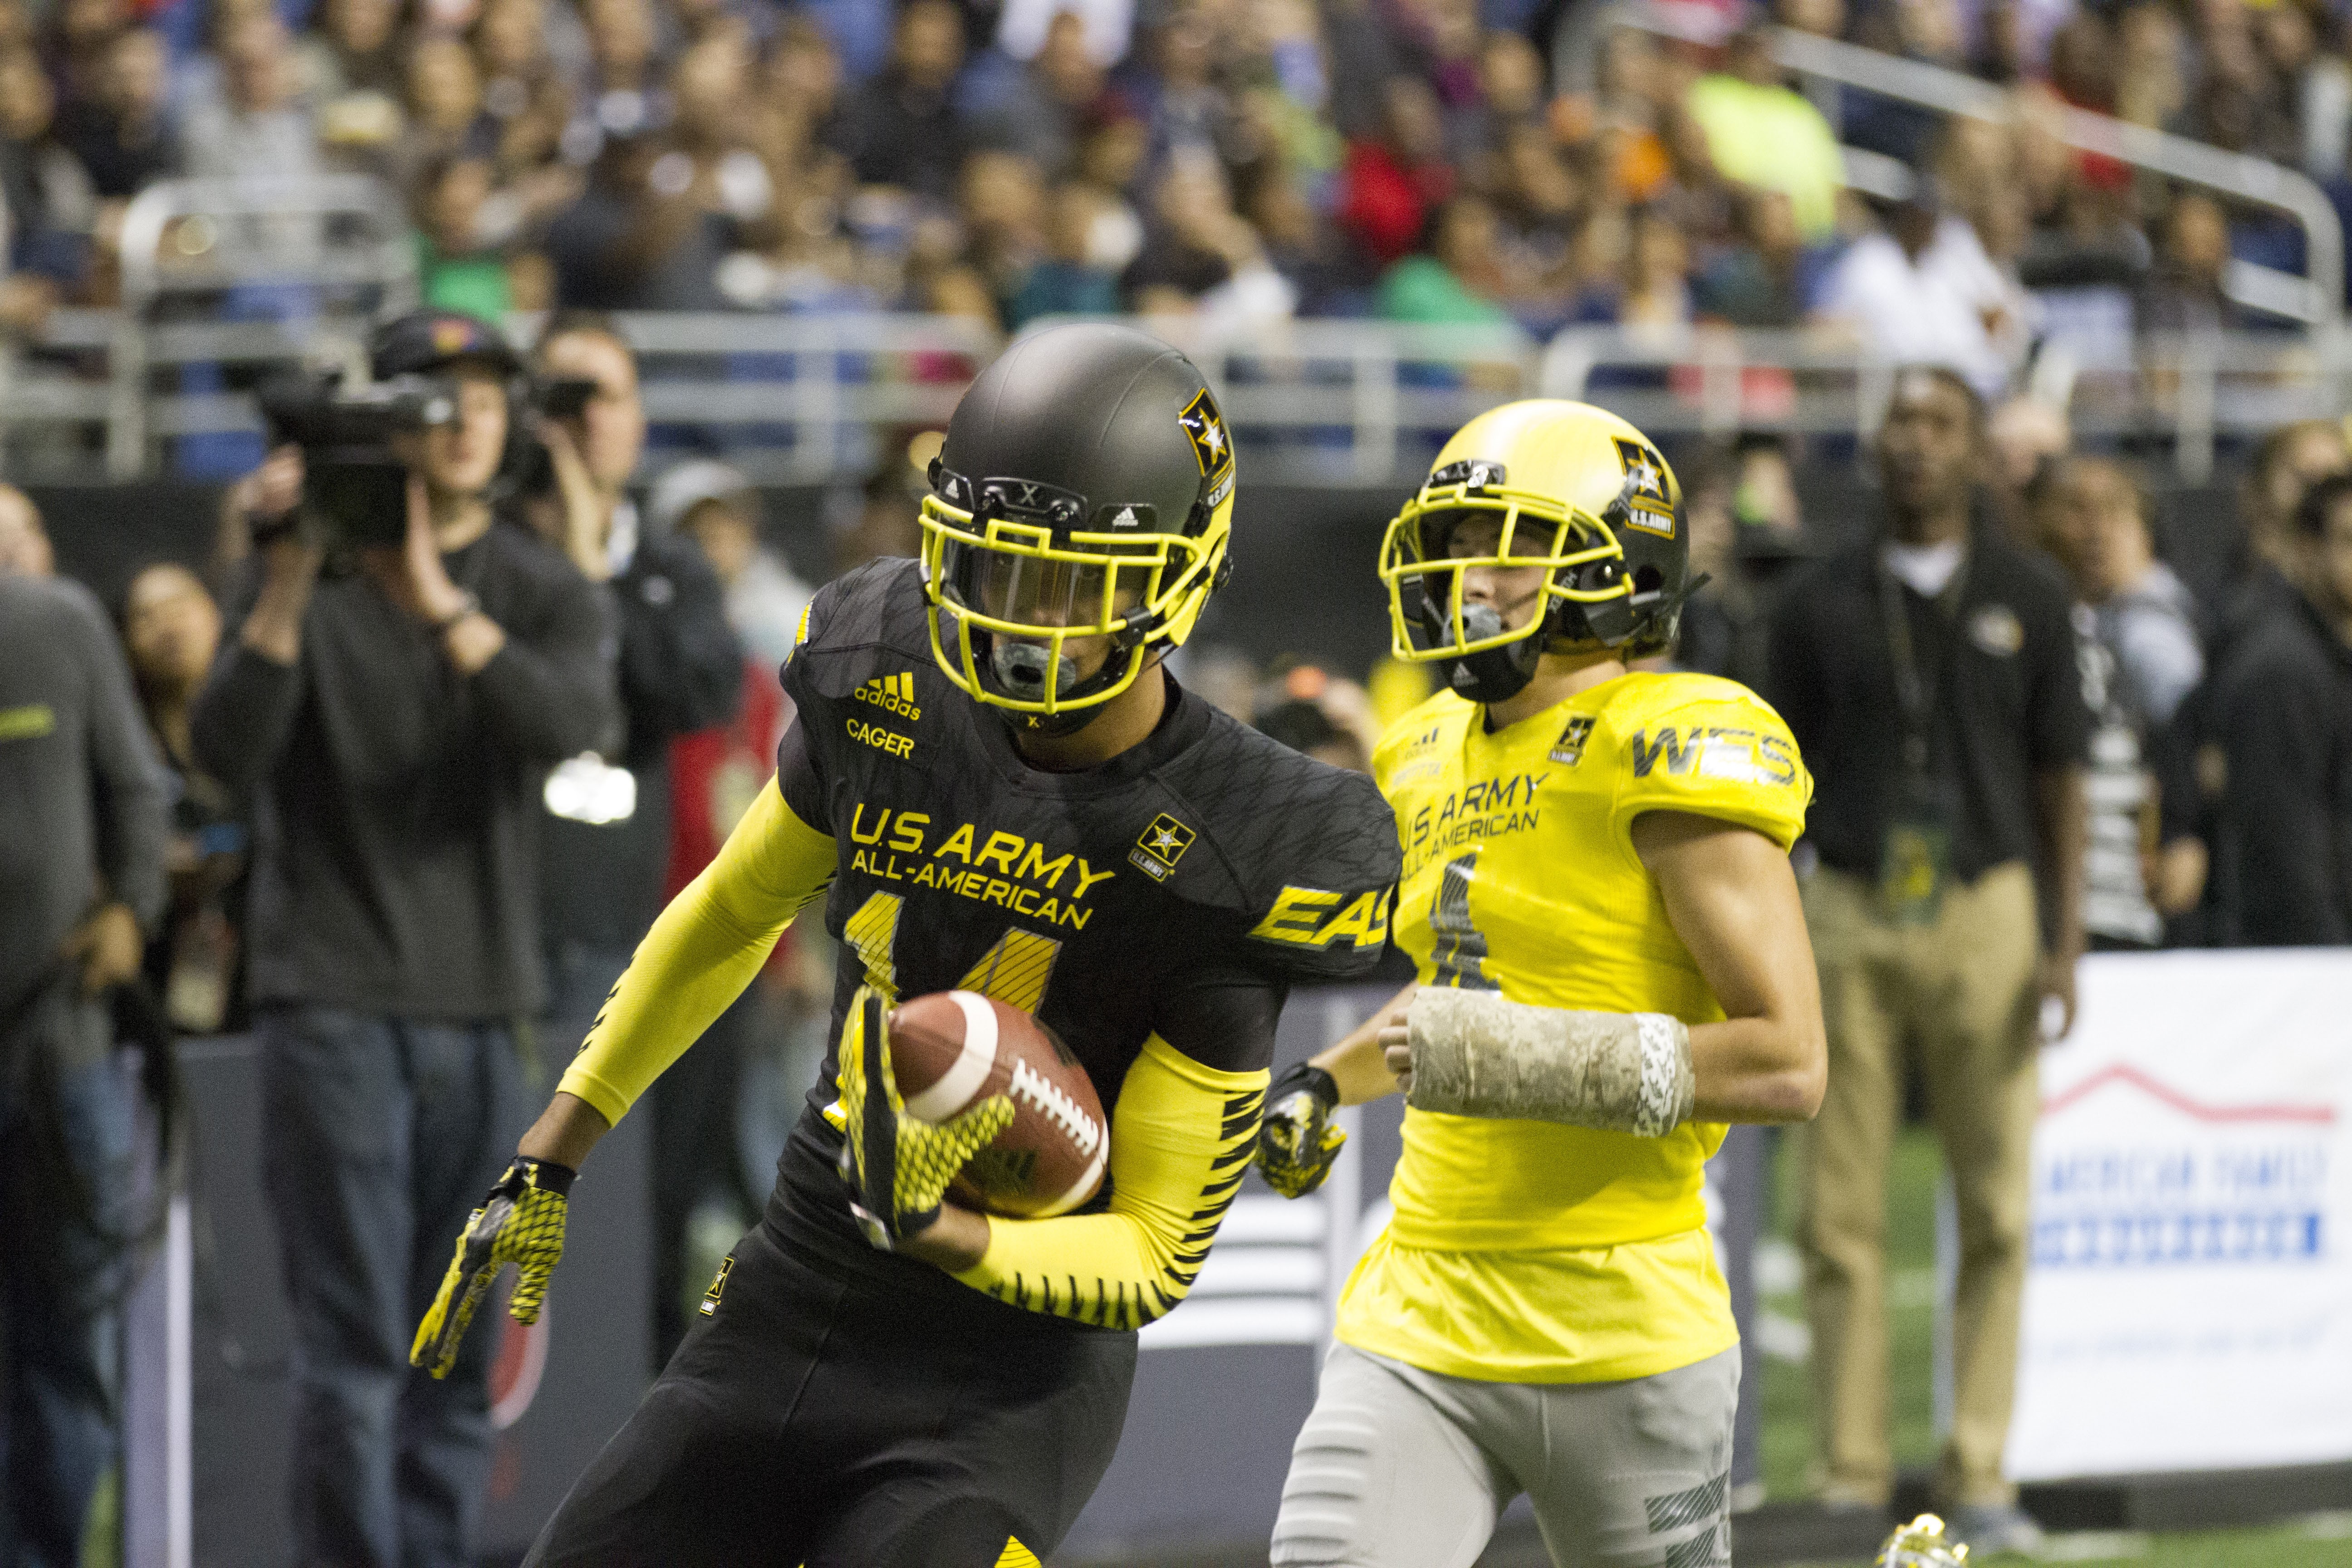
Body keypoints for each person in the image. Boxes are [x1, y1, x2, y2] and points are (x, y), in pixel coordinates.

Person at [409, 322, 1401, 1566]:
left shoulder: (1242, 836)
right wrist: (556, 1146)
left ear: (1177, 575)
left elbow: (1150, 1256)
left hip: (997, 1390)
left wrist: (944, 1231)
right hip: (790, 1305)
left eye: (1072, 585)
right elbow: (733, 906)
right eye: (991, 572)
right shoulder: (887, 673)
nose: (1020, 625)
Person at [1255, 402, 1826, 1568]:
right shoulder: (1420, 748)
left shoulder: (1671, 741)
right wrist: (1326, 1077)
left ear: (1617, 565)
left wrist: (1523, 1059)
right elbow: (1460, 994)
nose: (1472, 577)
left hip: (1622, 1326)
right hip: (1421, 1301)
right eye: (1461, 544)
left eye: (1512, 546)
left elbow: (1787, 1061)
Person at [191, 308, 616, 1568]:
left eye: (493, 397)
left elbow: (574, 722)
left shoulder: (533, 581)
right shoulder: (302, 579)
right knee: (352, 1350)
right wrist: (279, 572)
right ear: (387, 427)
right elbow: (222, 759)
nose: (474, 418)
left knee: (458, 1352)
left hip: (484, 1003)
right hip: (334, 1001)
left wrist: (428, 593)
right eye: (442, 398)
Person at [1764, 367, 2090, 1555]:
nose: (1916, 444)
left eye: (1940, 425)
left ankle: (1983, 1467)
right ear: (1873, 447)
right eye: (1900, 423)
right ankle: (1853, 1475)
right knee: (1838, 1206)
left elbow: (2066, 775)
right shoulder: (1814, 604)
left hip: (1993, 900)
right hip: (1848, 901)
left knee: (1997, 1201)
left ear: (1973, 454)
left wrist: (2064, 942)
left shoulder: (2031, 595)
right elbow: (1769, 781)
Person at [529, 310, 745, 1367]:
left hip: (637, 940)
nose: (577, 423)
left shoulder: (671, 567)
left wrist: (591, 563)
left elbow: (694, 690)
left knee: (649, 1221)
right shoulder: (478, 557)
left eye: (596, 398)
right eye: (556, 398)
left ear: (635, 420)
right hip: (505, 931)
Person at [0, 551, 168, 1568]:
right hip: (59, 1055)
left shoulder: (58, 624)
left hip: (61, 1044)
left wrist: (130, 913)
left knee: (69, 1352)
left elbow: (137, 791)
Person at [2029, 456, 2206, 947]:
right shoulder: (2013, 631)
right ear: (2034, 519)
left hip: (2128, 911)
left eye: (2113, 511)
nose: (2096, 530)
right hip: (2041, 914)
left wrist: (2182, 834)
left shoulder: (2132, 631)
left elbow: (2182, 746)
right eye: (2076, 510)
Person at [2205, 470, 2352, 944]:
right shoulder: (2284, 670)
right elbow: (2284, 854)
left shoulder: (2327, 657)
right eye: (2350, 540)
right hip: (2306, 962)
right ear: (2308, 548)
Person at [119, 560, 248, 1034]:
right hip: (163, 958)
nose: (167, 626)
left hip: (263, 954)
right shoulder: (128, 747)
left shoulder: (260, 720)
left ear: (214, 613)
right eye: (145, 617)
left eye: (179, 607)